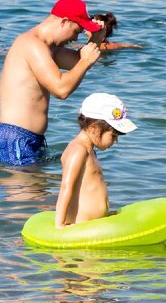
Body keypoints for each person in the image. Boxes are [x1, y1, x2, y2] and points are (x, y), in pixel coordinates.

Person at [0, 0, 102, 167]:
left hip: (30, 139)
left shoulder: (49, 47)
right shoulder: (32, 44)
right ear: (64, 22)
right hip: (15, 140)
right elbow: (61, 89)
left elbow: (77, 62)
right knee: (30, 193)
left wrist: (97, 38)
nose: (75, 38)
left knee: (39, 192)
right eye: (77, 31)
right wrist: (85, 61)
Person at [55, 92, 137, 226]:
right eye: (114, 135)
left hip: (95, 224)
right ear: (94, 128)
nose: (116, 141)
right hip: (82, 225)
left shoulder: (90, 151)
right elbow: (66, 186)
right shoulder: (77, 150)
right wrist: (59, 225)